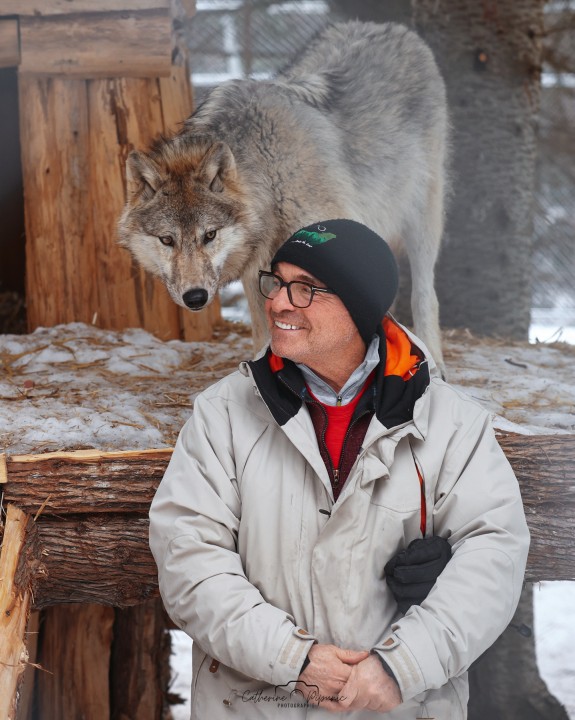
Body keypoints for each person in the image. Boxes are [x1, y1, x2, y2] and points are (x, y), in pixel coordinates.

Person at [149, 219, 530, 719]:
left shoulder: (452, 423)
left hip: (400, 707)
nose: (278, 302)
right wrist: (294, 658)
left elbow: (493, 554)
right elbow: (189, 559)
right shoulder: (221, 414)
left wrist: (401, 667)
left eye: (305, 289)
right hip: (255, 706)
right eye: (278, 282)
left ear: (360, 306)